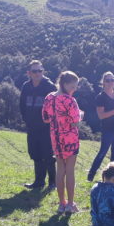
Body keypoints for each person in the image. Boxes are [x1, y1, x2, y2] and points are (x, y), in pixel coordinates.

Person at [43, 71, 82, 214]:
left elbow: (45, 118)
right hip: (70, 139)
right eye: (73, 86)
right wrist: (80, 115)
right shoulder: (70, 101)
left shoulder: (49, 98)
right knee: (70, 171)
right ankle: (70, 204)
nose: (75, 89)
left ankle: (61, 204)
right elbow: (75, 123)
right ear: (65, 84)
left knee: (60, 170)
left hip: (55, 138)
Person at [19, 60, 56, 190]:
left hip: (46, 128)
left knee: (48, 155)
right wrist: (26, 119)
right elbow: (22, 104)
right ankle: (39, 182)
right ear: (29, 73)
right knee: (35, 154)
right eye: (35, 71)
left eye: (40, 70)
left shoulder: (50, 87)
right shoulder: (26, 86)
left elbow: (56, 106)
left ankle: (53, 183)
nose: (38, 73)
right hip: (32, 127)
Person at [86, 71, 114, 182]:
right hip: (107, 129)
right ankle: (91, 175)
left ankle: (113, 178)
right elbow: (101, 116)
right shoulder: (100, 97)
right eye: (108, 80)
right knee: (102, 152)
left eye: (112, 80)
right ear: (103, 82)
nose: (110, 82)